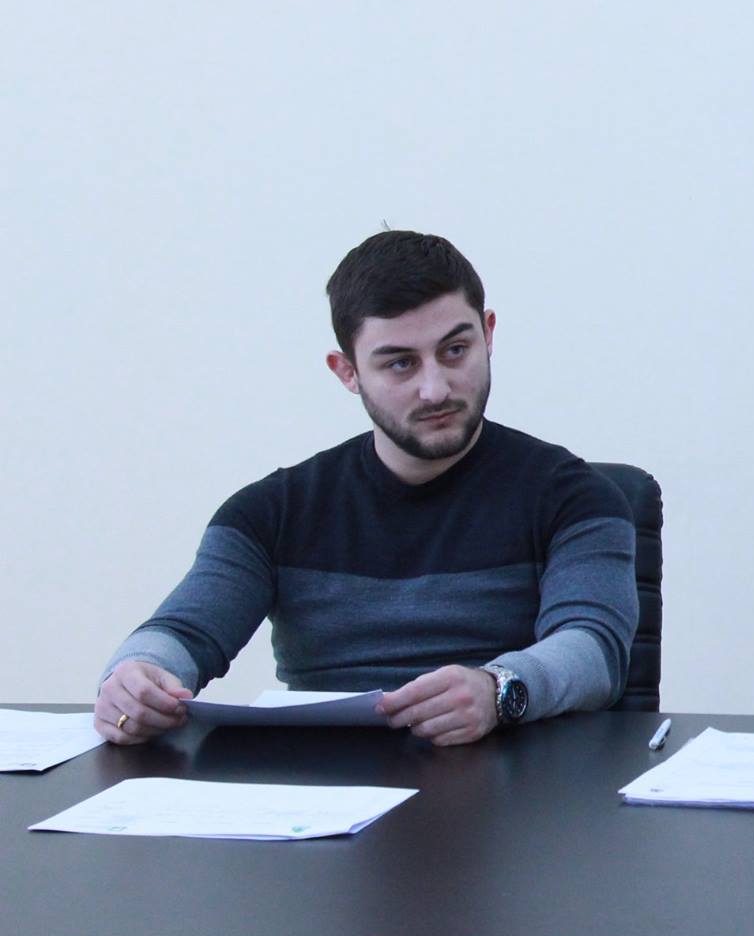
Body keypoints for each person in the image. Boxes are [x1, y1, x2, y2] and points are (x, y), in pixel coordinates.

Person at [94, 230, 639, 748]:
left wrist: (499, 689)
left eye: (455, 350)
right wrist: (136, 675)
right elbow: (182, 631)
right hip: (324, 786)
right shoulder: (270, 512)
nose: (435, 388)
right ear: (347, 372)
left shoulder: (574, 497)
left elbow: (594, 651)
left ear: (488, 333)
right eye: (401, 364)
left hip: (514, 784)